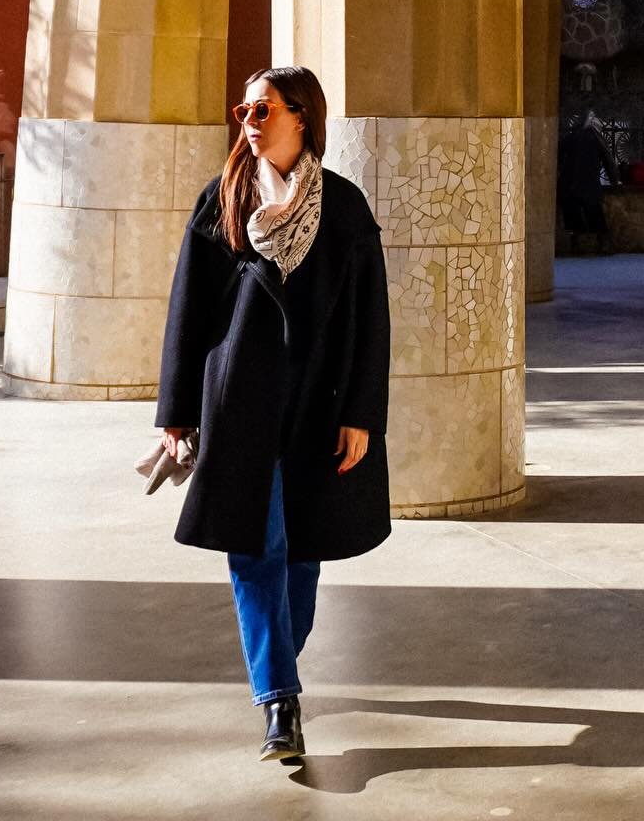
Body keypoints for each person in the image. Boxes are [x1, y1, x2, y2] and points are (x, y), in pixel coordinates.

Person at [156, 65, 391, 764]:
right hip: (240, 403)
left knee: (305, 553)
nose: (249, 121)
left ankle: (277, 664)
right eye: (245, 110)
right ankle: (280, 700)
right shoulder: (222, 199)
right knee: (256, 547)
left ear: (302, 118)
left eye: (264, 110)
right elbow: (188, 309)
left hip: (319, 404)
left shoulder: (344, 208)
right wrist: (176, 409)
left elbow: (369, 320)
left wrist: (361, 412)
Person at [557, 106, 618, 252]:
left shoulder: (570, 137)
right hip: (588, 182)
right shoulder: (596, 138)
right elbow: (608, 159)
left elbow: (558, 156)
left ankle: (576, 244)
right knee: (594, 212)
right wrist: (615, 180)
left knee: (572, 214)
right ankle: (603, 243)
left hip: (569, 184)